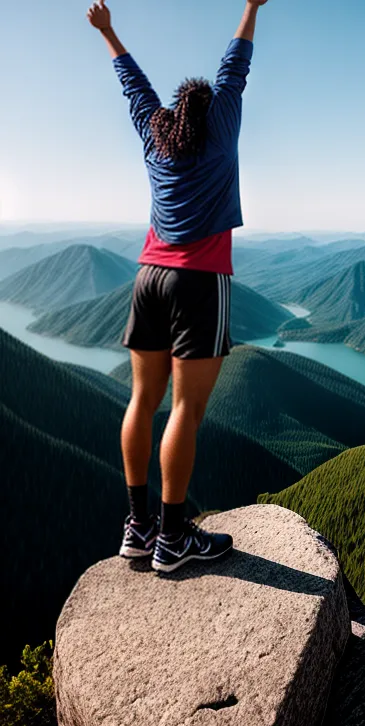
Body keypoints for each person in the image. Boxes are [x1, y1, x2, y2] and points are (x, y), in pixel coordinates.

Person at [87, 0, 270, 573]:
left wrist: (109, 31)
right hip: (199, 281)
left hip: (149, 277)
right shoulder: (220, 126)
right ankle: (172, 538)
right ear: (214, 113)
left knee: (143, 399)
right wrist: (251, 6)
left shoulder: (154, 135)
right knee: (185, 411)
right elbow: (233, 69)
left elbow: (132, 85)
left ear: (171, 115)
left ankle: (137, 528)